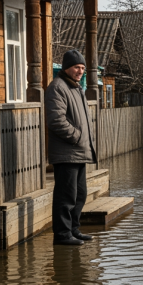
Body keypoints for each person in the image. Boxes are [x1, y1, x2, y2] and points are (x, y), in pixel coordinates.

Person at [45, 49, 97, 246]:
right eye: (77, 67)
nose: (80, 71)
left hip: (79, 151)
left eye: (83, 68)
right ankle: (62, 234)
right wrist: (77, 137)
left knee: (79, 194)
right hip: (67, 152)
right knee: (65, 196)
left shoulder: (76, 88)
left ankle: (74, 229)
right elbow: (56, 120)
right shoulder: (57, 87)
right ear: (67, 67)